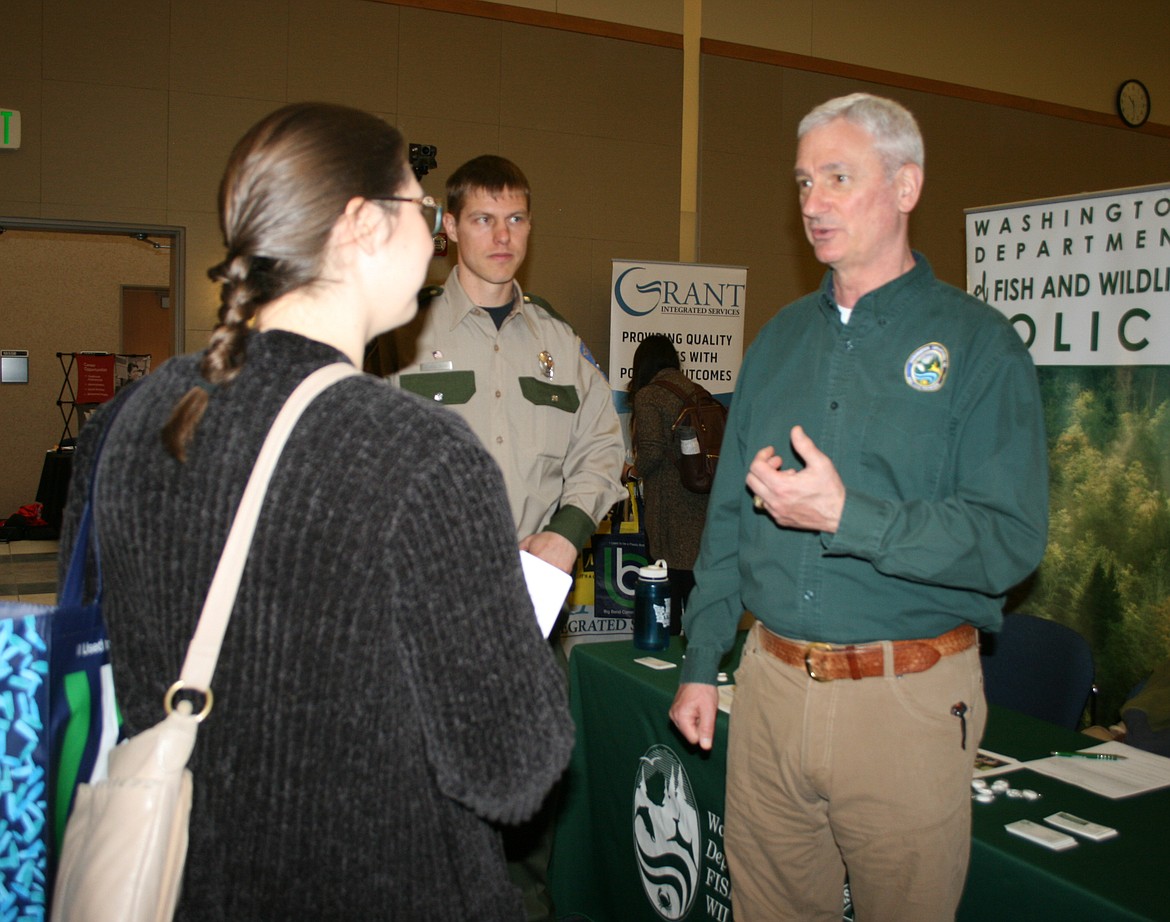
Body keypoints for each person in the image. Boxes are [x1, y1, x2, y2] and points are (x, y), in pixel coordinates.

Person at [56, 103, 574, 921]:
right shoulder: (420, 455)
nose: (439, 235)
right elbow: (512, 769)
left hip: (181, 879)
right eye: (427, 212)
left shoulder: (124, 422)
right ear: (364, 224)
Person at [669, 93, 1049, 921]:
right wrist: (703, 662)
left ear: (906, 186)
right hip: (767, 693)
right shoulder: (776, 343)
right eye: (804, 182)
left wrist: (852, 517)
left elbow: (1011, 541)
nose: (812, 203)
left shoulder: (981, 347)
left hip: (904, 703)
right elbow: (730, 519)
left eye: (839, 177)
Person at [392, 155, 625, 576]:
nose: (503, 236)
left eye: (515, 219)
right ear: (450, 227)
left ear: (530, 226)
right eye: (483, 220)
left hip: (531, 587)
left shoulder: (559, 341)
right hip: (424, 589)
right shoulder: (401, 334)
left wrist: (567, 533)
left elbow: (602, 445)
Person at [627, 334, 710, 622]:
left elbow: (651, 451)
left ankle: (664, 660)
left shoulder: (649, 395)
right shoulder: (698, 391)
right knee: (696, 598)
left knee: (665, 604)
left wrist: (632, 471)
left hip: (669, 510)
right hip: (700, 502)